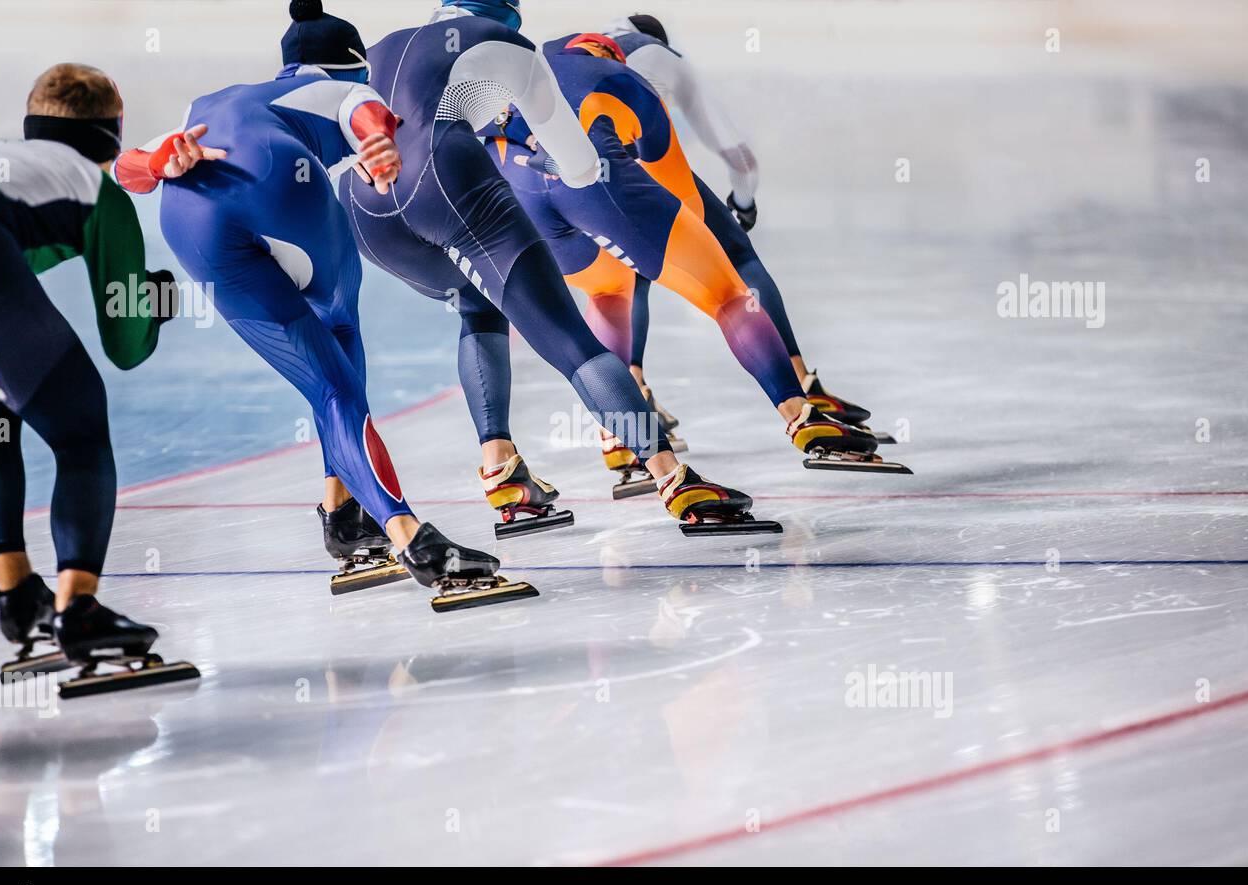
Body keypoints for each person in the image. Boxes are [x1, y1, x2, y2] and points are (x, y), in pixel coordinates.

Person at [118, 0, 541, 606]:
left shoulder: (211, 102)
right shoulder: (337, 88)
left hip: (189, 215)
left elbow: (128, 169)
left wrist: (162, 161)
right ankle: (410, 537)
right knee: (340, 350)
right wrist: (380, 147)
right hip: (279, 186)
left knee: (322, 382)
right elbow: (366, 113)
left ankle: (343, 517)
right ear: (352, 63)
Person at [339, 1, 781, 536]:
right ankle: (674, 479)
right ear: (509, 17)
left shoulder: (382, 46)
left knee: (478, 306)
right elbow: (578, 167)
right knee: (575, 343)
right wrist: (563, 164)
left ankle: (502, 469)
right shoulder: (511, 46)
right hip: (442, 180)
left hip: (364, 208)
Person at [481, 33, 907, 488]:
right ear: (608, 51)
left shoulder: (528, 68)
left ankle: (622, 437)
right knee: (727, 293)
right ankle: (803, 418)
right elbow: (682, 199)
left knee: (608, 293)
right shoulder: (626, 79)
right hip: (593, 179)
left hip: (517, 190)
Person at [0, 62, 199, 694]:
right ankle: (79, 612)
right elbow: (125, 346)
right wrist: (154, 306)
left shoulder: (2, 164)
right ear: (114, 133)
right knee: (81, 431)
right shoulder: (99, 193)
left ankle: (17, 596)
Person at [603, 13, 876, 432]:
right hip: (638, 170)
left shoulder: (573, 51)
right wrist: (743, 204)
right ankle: (801, 383)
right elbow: (741, 159)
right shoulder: (665, 57)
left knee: (623, 279)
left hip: (564, 180)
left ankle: (627, 410)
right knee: (737, 256)